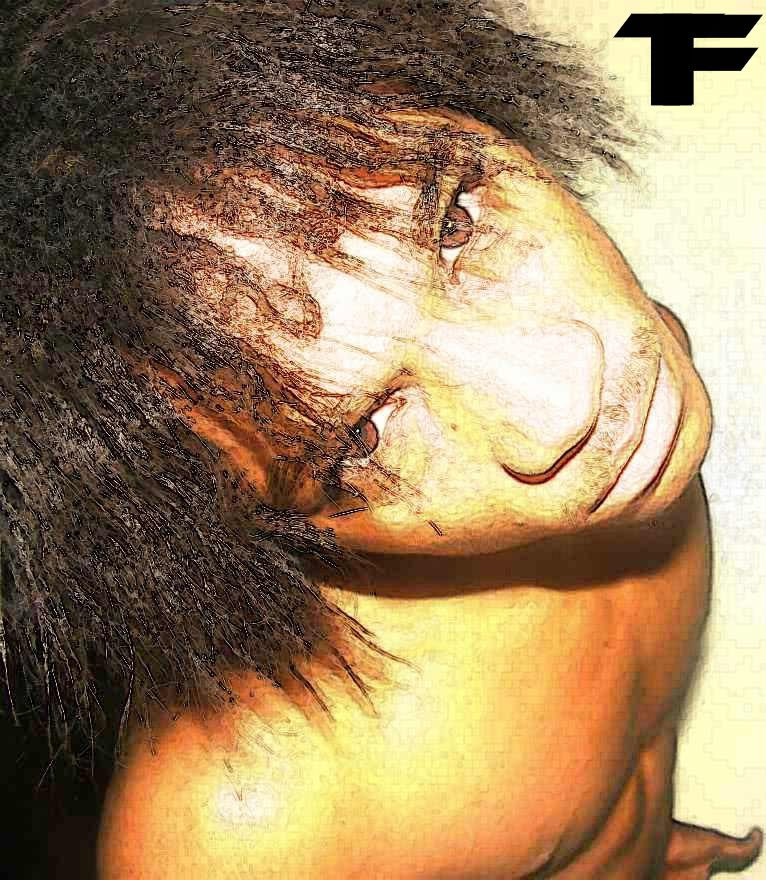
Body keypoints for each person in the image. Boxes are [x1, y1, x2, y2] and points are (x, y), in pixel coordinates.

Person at [0, 1, 762, 877]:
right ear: (253, 541)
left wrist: (629, 839)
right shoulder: (249, 833)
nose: (566, 400)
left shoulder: (636, 360)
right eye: (361, 438)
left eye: (453, 227)